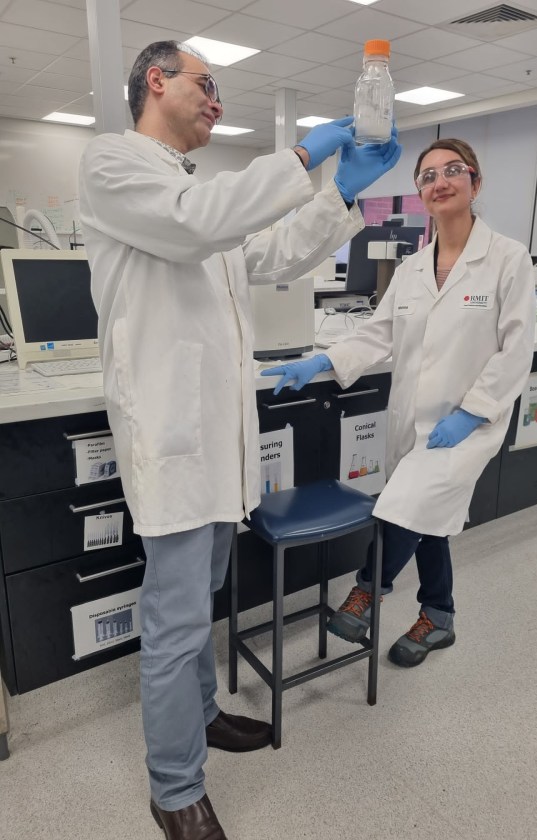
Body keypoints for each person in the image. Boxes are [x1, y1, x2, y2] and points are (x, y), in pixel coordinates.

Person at [78, 40, 401, 840]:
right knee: (179, 618)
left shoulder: (192, 189)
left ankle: (202, 715)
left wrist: (339, 196)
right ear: (156, 81)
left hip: (218, 445)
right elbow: (199, 228)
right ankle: (175, 786)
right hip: (175, 439)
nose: (218, 101)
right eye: (207, 84)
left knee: (198, 606)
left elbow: (269, 251)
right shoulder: (114, 166)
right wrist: (297, 155)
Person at [262, 138, 536, 671]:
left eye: (453, 171)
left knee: (405, 504)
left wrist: (474, 411)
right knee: (428, 515)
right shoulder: (412, 270)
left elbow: (516, 347)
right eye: (428, 175)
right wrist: (320, 363)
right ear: (420, 193)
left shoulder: (507, 258)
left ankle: (369, 588)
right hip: (410, 418)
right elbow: (375, 334)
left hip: (468, 424)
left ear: (475, 183)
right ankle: (439, 615)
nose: (440, 181)